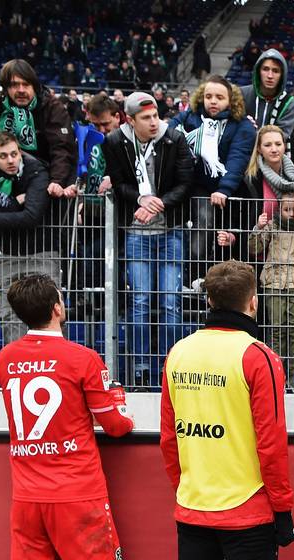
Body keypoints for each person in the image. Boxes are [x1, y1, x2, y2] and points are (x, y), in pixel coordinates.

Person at [0, 273, 134, 560]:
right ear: (57, 307)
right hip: (78, 496)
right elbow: (116, 426)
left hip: (27, 496)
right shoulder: (82, 358)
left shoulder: (6, 357)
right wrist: (117, 399)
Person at [161, 260, 294, 560]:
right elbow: (272, 444)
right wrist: (283, 511)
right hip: (249, 510)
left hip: (193, 505)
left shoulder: (178, 352)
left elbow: (168, 439)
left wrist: (186, 484)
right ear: (253, 301)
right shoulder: (258, 355)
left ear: (209, 301)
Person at [101, 92, 195, 388]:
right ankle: (141, 366)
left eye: (155, 115)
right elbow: (119, 183)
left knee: (171, 301)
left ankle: (171, 365)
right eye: (146, 118)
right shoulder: (115, 141)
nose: (154, 122)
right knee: (139, 300)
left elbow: (185, 183)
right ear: (130, 120)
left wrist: (160, 203)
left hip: (171, 230)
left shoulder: (175, 138)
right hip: (136, 231)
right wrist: (141, 198)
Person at [0, 130, 54, 344]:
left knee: (47, 318)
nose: (11, 160)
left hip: (42, 250)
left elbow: (31, 216)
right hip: (8, 252)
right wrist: (16, 203)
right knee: (9, 316)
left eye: (14, 154)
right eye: (3, 156)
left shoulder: (36, 169)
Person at [170, 75, 256, 264]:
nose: (213, 101)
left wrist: (224, 189)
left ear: (230, 100)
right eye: (209, 96)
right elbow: (168, 133)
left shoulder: (243, 125)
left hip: (231, 191)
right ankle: (195, 272)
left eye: (219, 97)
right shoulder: (189, 117)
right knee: (204, 220)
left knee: (228, 239)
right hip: (198, 186)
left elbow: (237, 158)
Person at [0, 60, 78, 202]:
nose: (21, 90)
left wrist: (56, 181)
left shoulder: (52, 107)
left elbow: (62, 149)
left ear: (35, 86)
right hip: (0, 178)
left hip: (43, 178)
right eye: (14, 85)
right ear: (6, 88)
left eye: (26, 84)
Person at [249, 192, 294, 393]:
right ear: (279, 210)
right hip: (273, 283)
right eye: (287, 209)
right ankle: (275, 375)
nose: (291, 214)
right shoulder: (272, 227)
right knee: (275, 330)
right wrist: (259, 228)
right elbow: (253, 248)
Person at [237, 49, 294, 139]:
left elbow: (278, 139)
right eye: (265, 69)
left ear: (282, 75)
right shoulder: (240, 95)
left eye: (275, 71)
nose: (270, 76)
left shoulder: (289, 104)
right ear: (258, 71)